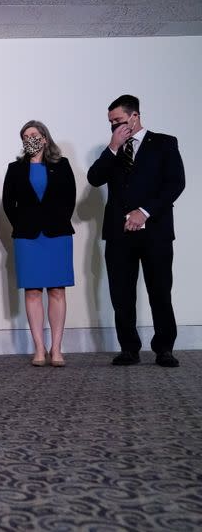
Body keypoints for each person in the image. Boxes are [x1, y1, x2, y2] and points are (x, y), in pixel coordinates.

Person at [88, 95, 185, 367]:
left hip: (155, 232)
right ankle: (129, 348)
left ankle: (164, 348)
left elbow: (175, 183)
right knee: (121, 293)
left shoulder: (165, 143)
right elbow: (94, 179)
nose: (114, 125)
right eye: (110, 122)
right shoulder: (114, 150)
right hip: (119, 235)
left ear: (135, 116)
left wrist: (144, 211)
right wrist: (113, 147)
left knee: (160, 291)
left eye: (118, 120)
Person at [2, 121, 76, 367]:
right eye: (25, 136)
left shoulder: (61, 165)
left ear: (44, 138)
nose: (29, 139)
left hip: (57, 235)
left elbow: (70, 198)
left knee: (57, 290)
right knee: (32, 291)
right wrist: (23, 224)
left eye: (33, 135)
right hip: (27, 237)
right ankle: (39, 349)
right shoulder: (15, 168)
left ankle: (56, 348)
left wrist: (56, 219)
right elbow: (8, 203)